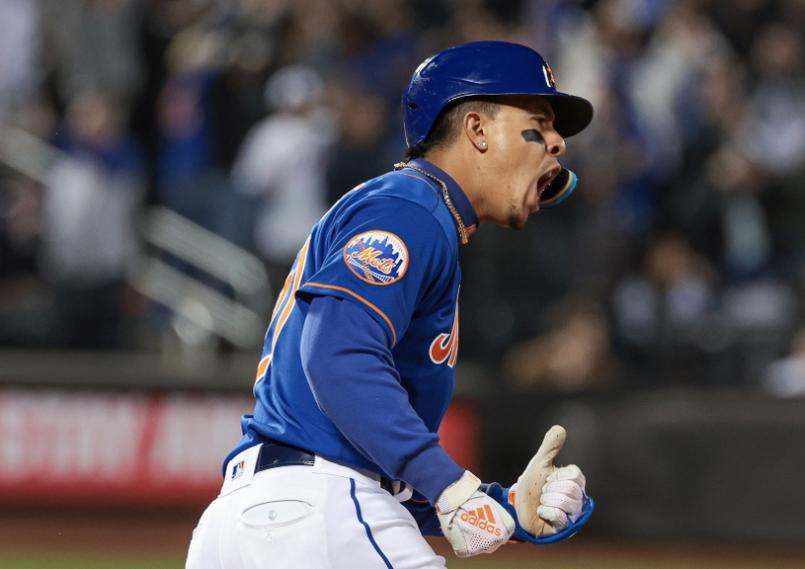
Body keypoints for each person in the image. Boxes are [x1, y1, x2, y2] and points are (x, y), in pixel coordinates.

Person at [186, 40, 595, 569]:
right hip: (316, 516)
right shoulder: (412, 208)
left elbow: (373, 458)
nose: (558, 143)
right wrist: (450, 485)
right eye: (540, 121)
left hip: (269, 520)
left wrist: (505, 507)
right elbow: (337, 355)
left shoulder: (415, 209)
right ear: (475, 130)